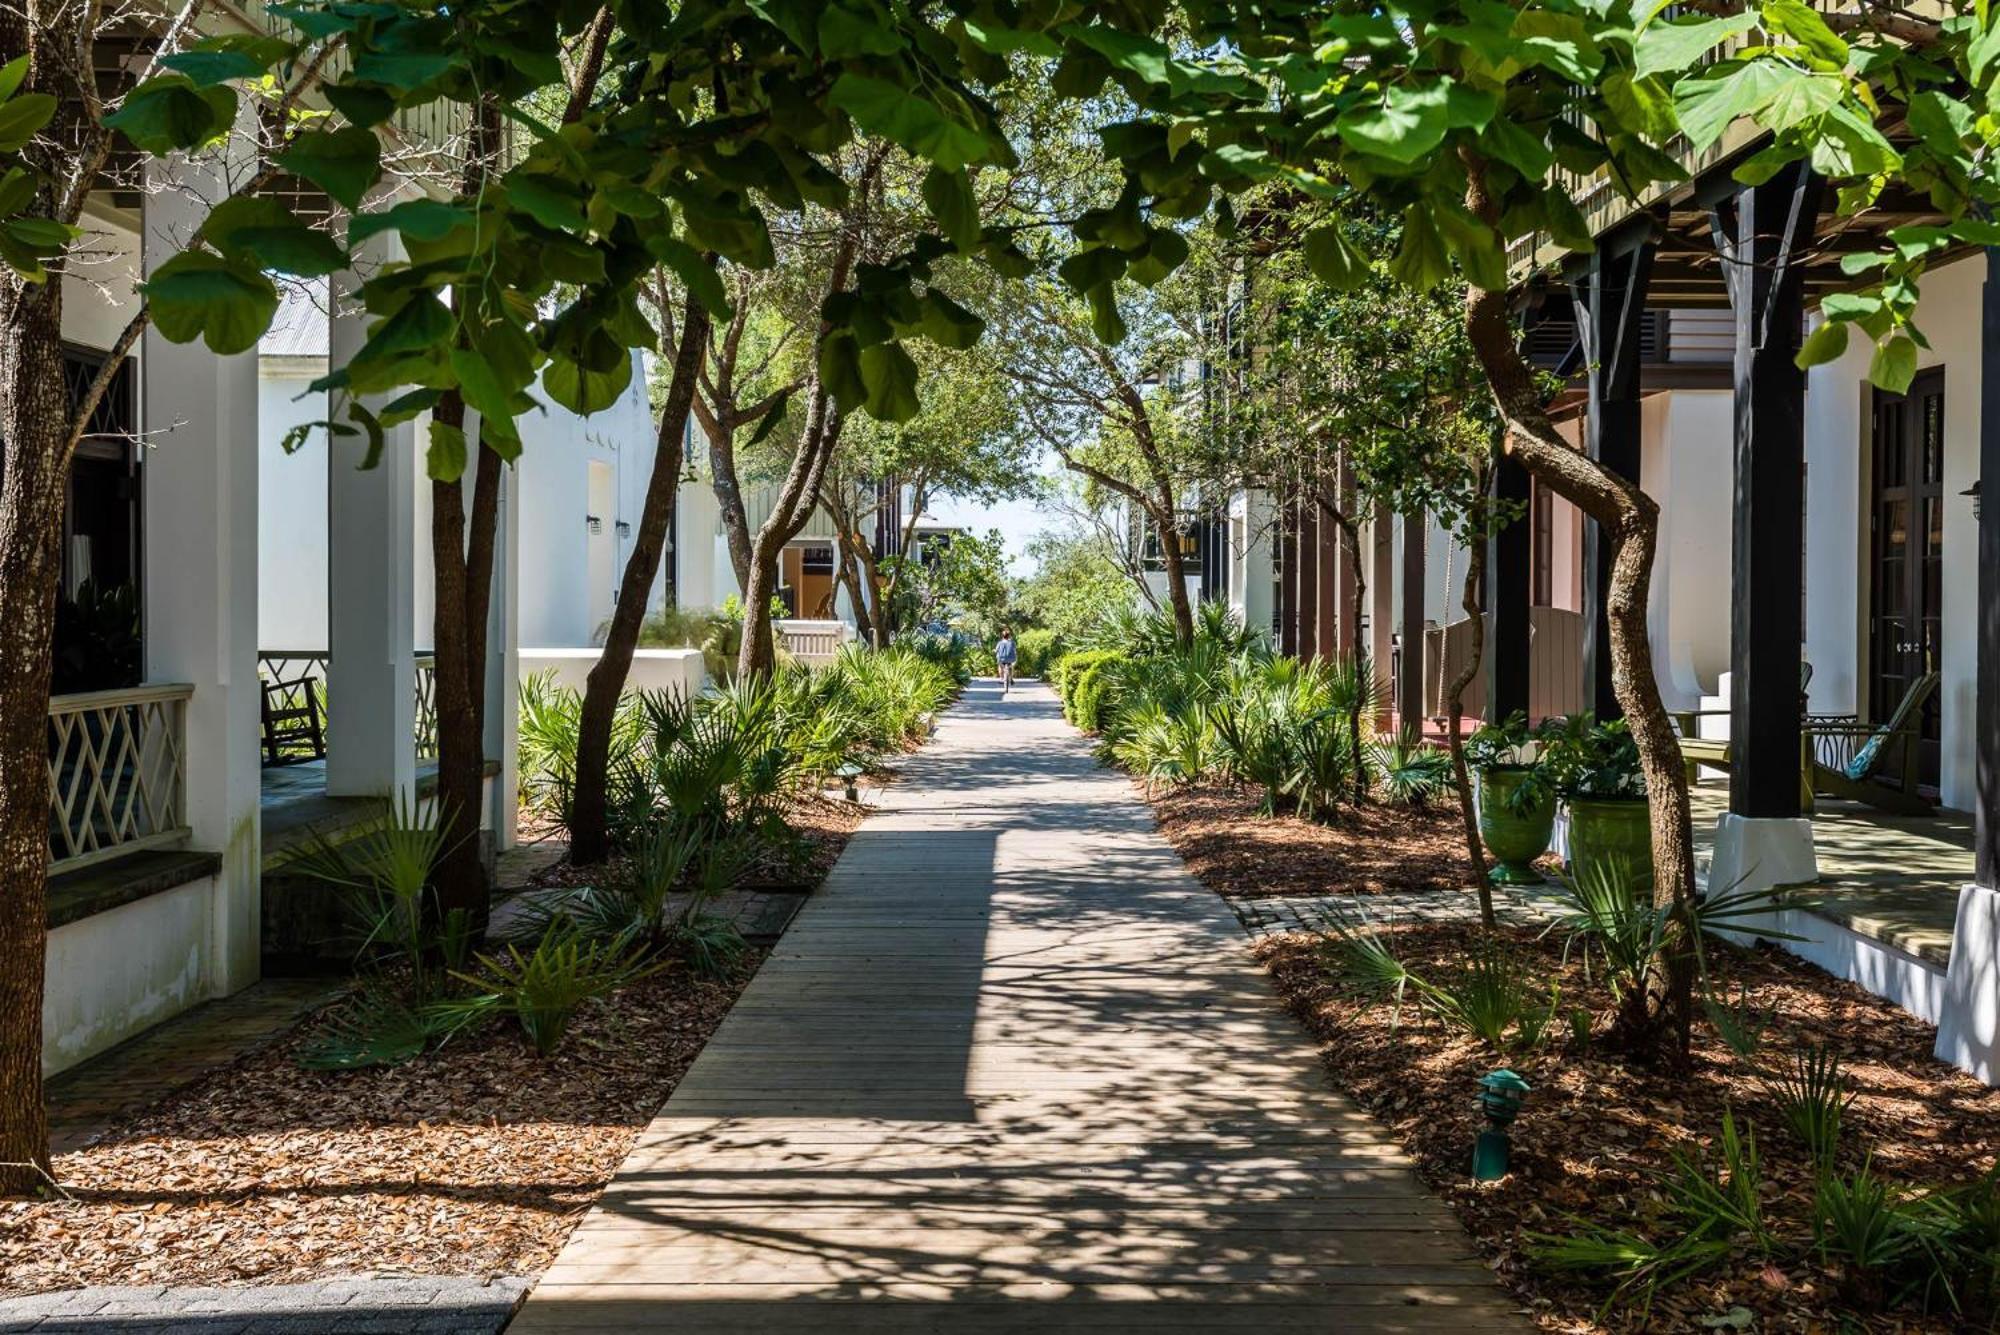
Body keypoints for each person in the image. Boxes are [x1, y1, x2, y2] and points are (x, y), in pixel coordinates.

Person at [994, 626, 1017, 694]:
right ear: (1009, 636)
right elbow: (1015, 650)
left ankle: (1001, 678)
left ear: (1002, 636)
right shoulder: (1012, 642)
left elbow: (996, 650)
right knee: (1011, 666)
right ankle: (1011, 678)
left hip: (1002, 658)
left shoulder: (1000, 643)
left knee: (1000, 665)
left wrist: (994, 651)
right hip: (1010, 658)